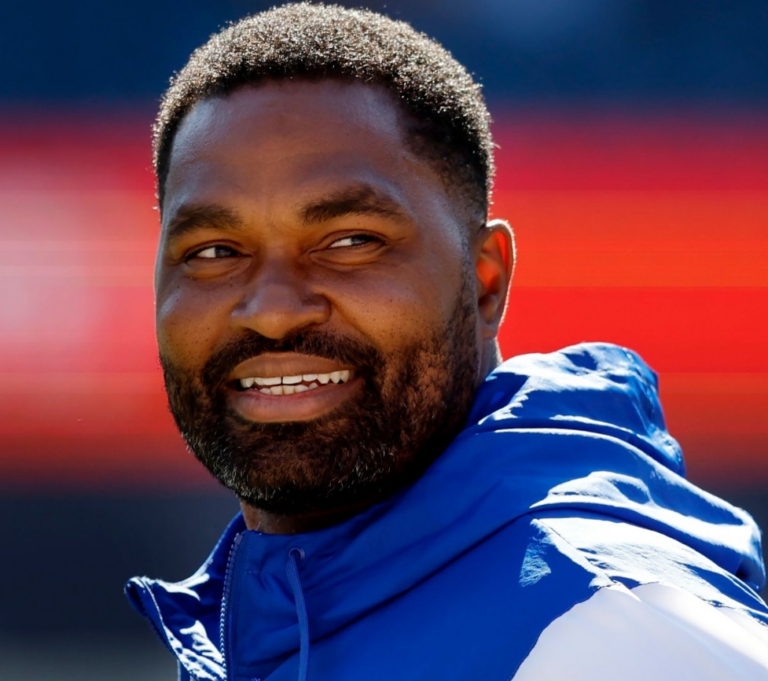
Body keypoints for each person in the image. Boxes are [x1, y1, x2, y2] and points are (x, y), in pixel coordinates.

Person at [125, 4, 768, 680]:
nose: (274, 311)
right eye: (215, 251)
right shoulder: (255, 626)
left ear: (486, 282)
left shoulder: (622, 636)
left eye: (350, 241)